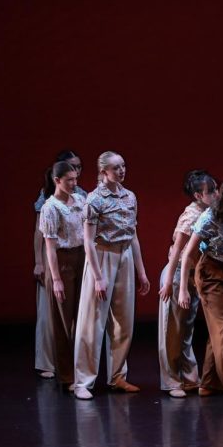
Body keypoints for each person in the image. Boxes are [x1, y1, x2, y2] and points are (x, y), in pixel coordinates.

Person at [71, 152, 150, 399]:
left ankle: (117, 376)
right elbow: (88, 240)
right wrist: (97, 277)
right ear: (104, 172)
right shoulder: (94, 200)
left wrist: (141, 271)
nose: (122, 171)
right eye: (116, 168)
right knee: (92, 321)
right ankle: (83, 381)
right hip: (102, 257)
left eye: (123, 166)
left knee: (123, 321)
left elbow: (133, 235)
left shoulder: (129, 197)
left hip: (124, 255)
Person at [180, 181, 223, 406]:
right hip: (210, 273)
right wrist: (183, 288)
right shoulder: (209, 218)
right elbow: (188, 253)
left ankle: (209, 382)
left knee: (218, 331)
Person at [157, 170, 219, 398]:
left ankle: (189, 376)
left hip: (193, 275)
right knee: (172, 329)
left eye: (215, 188)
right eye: (210, 191)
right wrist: (171, 283)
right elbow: (178, 253)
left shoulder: (210, 212)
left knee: (186, 329)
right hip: (177, 276)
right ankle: (172, 380)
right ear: (197, 195)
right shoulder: (191, 215)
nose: (216, 193)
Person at [33, 149, 85, 378]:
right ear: (57, 181)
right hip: (62, 261)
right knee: (63, 319)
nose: (75, 183)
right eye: (69, 180)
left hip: (81, 257)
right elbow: (49, 246)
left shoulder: (81, 199)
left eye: (76, 179)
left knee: (82, 317)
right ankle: (66, 374)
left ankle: (82, 370)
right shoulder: (50, 207)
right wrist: (55, 279)